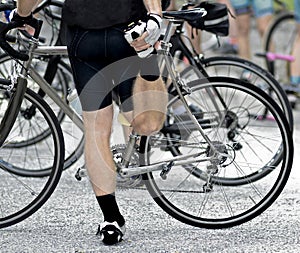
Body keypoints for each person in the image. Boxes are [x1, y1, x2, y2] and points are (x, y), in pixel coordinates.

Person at [13, 0, 166, 246]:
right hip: (128, 29)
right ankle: (149, 60)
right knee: (146, 124)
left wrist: (22, 13)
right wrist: (156, 14)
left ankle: (111, 219)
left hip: (83, 33)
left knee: (96, 129)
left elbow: (27, 3)